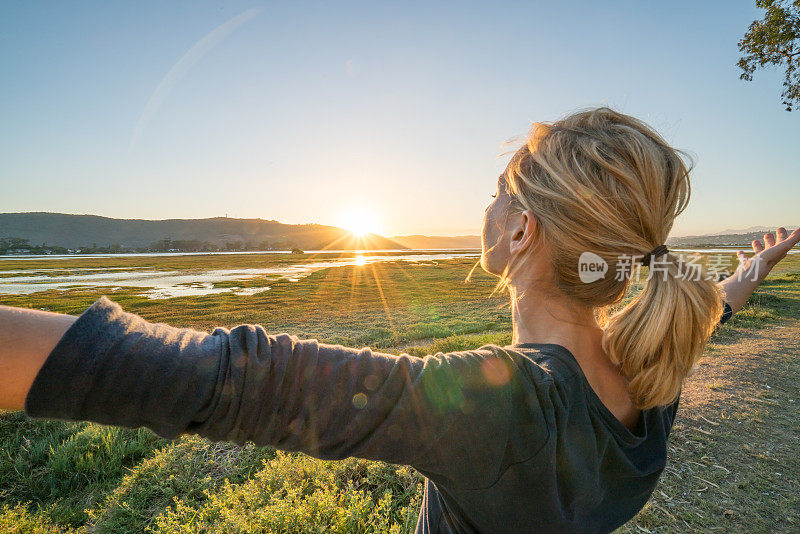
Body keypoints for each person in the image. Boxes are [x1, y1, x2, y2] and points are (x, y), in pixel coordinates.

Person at [1, 107, 798, 533]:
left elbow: (234, 381)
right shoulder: (656, 360)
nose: (486, 204)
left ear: (522, 230)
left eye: (499, 190)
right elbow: (714, 303)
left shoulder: (507, 407)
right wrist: (752, 267)